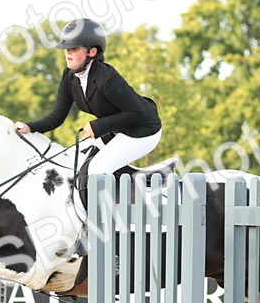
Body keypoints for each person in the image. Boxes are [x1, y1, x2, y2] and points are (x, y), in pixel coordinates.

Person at [15, 18, 162, 202]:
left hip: (143, 130)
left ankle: (106, 223)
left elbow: (137, 112)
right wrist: (30, 127)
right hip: (117, 129)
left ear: (91, 52)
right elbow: (57, 117)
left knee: (98, 169)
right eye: (66, 49)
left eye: (74, 48)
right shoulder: (69, 76)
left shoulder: (107, 78)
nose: (68, 53)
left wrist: (97, 126)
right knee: (73, 159)